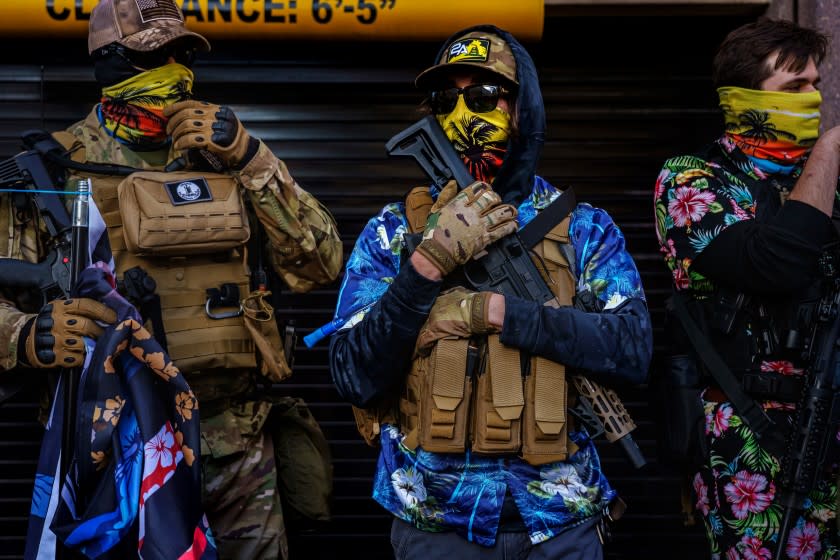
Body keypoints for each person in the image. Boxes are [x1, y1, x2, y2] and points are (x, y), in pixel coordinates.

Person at [0, 0, 342, 558]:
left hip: (236, 450)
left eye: (182, 53)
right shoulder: (55, 172)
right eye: (154, 55)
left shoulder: (225, 156)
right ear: (108, 61)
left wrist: (251, 156)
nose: (176, 70)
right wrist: (23, 334)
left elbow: (321, 264)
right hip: (118, 452)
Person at [328, 25, 652, 559]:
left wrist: (502, 312)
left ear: (525, 108)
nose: (463, 115)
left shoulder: (583, 228)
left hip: (560, 518)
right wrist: (425, 267)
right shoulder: (393, 231)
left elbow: (632, 352)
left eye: (482, 96)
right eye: (444, 100)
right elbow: (352, 374)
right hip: (435, 520)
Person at [653, 17, 840, 559]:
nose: (812, 97)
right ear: (742, 98)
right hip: (748, 438)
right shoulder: (693, 179)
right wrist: (829, 151)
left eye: (814, 83)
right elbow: (774, 264)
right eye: (793, 87)